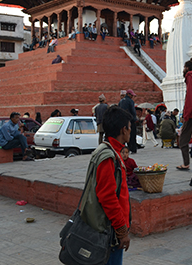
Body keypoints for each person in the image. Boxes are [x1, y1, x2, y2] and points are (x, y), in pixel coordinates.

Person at [82, 106, 132, 263]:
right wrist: (122, 231)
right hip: (109, 231)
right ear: (124, 130)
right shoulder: (108, 156)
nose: (131, 131)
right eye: (130, 128)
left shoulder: (110, 151)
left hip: (110, 228)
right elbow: (108, 198)